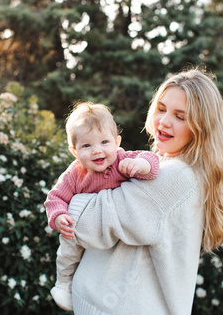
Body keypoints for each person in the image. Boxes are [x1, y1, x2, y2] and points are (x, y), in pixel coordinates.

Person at [65, 68, 223, 314]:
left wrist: (71, 198)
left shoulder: (176, 176)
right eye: (162, 109)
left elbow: (85, 225)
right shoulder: (175, 169)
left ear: (202, 127)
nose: (164, 122)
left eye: (180, 116)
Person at [44, 101, 160, 311]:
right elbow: (55, 198)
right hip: (79, 229)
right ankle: (63, 283)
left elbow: (152, 161)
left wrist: (141, 165)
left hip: (114, 231)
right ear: (74, 150)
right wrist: (59, 216)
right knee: (67, 250)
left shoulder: (122, 161)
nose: (97, 151)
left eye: (104, 142)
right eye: (87, 146)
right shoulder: (75, 173)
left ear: (117, 143)